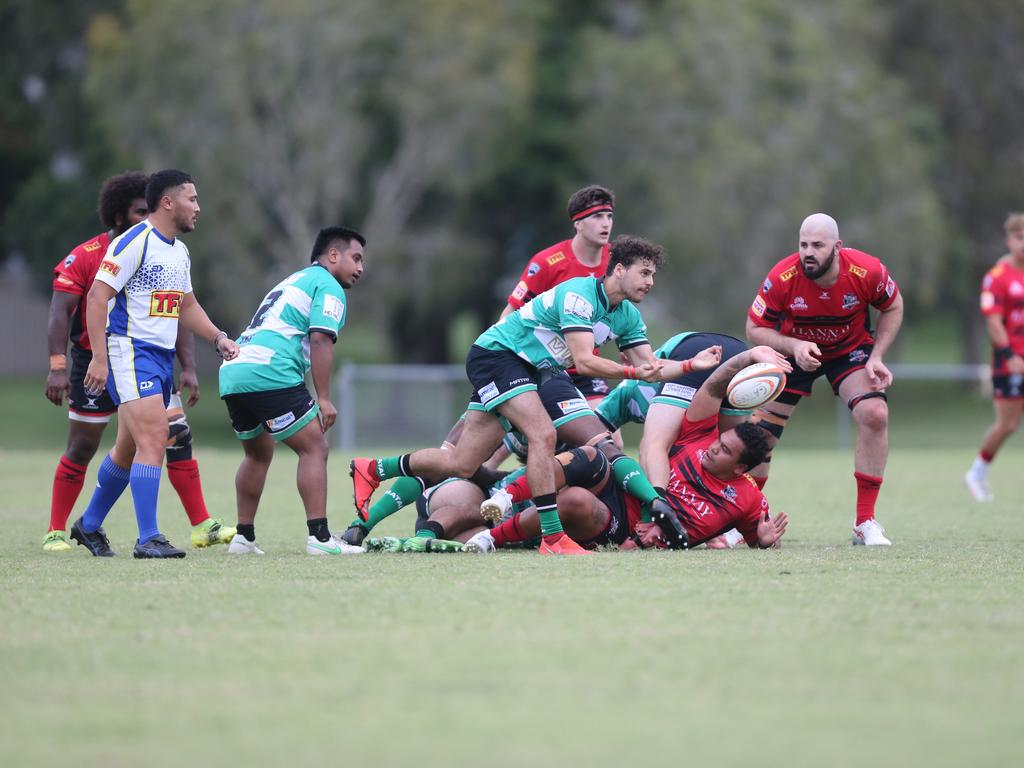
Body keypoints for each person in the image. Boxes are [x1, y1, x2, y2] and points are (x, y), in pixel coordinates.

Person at [351, 235, 670, 555]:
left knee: (460, 463)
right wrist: (631, 373)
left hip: (530, 370)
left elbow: (652, 366)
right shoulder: (577, 291)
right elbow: (585, 361)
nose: (650, 281)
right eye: (644, 272)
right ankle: (553, 537)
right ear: (618, 269)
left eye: (652, 274)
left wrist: (691, 365)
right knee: (543, 434)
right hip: (501, 357)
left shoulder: (625, 314)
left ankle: (374, 469)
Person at [44, 171, 234, 553]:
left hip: (159, 357)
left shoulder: (178, 250)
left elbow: (186, 304)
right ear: (168, 202)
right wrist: (98, 358)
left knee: (128, 449)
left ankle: (89, 524)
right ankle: (148, 538)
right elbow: (97, 298)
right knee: (155, 440)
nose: (198, 207)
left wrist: (217, 337)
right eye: (192, 199)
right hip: (131, 352)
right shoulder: (135, 242)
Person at [464, 347, 791, 553]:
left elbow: (756, 537)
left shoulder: (747, 500)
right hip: (621, 488)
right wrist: (749, 356)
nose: (713, 449)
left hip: (621, 524)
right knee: (593, 453)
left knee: (573, 501)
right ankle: (505, 495)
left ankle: (493, 537)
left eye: (723, 451)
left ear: (738, 470)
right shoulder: (699, 440)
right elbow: (715, 386)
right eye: (719, 441)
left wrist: (765, 542)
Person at [745, 213, 903, 546]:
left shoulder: (867, 271)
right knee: (758, 439)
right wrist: (793, 345)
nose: (808, 252)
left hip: (849, 351)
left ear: (838, 247)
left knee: (875, 415)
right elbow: (754, 328)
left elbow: (894, 305)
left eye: (817, 245)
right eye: (803, 244)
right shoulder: (783, 276)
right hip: (793, 354)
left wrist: (877, 356)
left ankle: (865, 522)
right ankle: (744, 521)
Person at [219, 226, 366, 555]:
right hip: (269, 370)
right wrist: (323, 398)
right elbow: (320, 338)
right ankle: (320, 539)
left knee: (257, 454)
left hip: (234, 370)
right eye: (355, 258)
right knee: (315, 448)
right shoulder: (328, 286)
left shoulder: (294, 280)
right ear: (332, 255)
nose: (360, 268)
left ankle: (243, 538)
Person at [500, 185, 615, 405]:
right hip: (542, 365)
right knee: (543, 433)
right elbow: (510, 314)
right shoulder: (547, 263)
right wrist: (505, 360)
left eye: (609, 216)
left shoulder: (616, 262)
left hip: (587, 365)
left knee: (609, 437)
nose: (606, 223)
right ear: (578, 224)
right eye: (597, 216)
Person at [965, 213, 1024, 501]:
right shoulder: (997, 277)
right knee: (1008, 424)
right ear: (1008, 240)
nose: (1023, 244)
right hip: (1010, 360)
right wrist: (1009, 354)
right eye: (1019, 238)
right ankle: (976, 473)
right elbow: (993, 321)